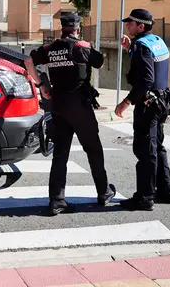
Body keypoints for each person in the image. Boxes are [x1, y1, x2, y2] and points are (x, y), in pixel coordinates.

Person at [25, 13, 116, 215]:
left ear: (62, 28)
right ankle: (103, 192)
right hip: (80, 107)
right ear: (77, 29)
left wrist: (41, 85)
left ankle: (57, 201)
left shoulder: (49, 49)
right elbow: (100, 62)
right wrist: (87, 46)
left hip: (58, 106)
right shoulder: (81, 47)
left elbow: (28, 62)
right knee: (94, 150)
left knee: (60, 154)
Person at [114, 9, 170, 211]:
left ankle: (145, 197)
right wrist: (129, 49)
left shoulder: (141, 47)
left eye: (130, 23)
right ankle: (165, 191)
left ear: (141, 26)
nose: (127, 26)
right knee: (158, 147)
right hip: (163, 100)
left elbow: (145, 80)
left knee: (145, 150)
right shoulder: (157, 41)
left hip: (148, 104)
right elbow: (154, 70)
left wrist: (126, 101)